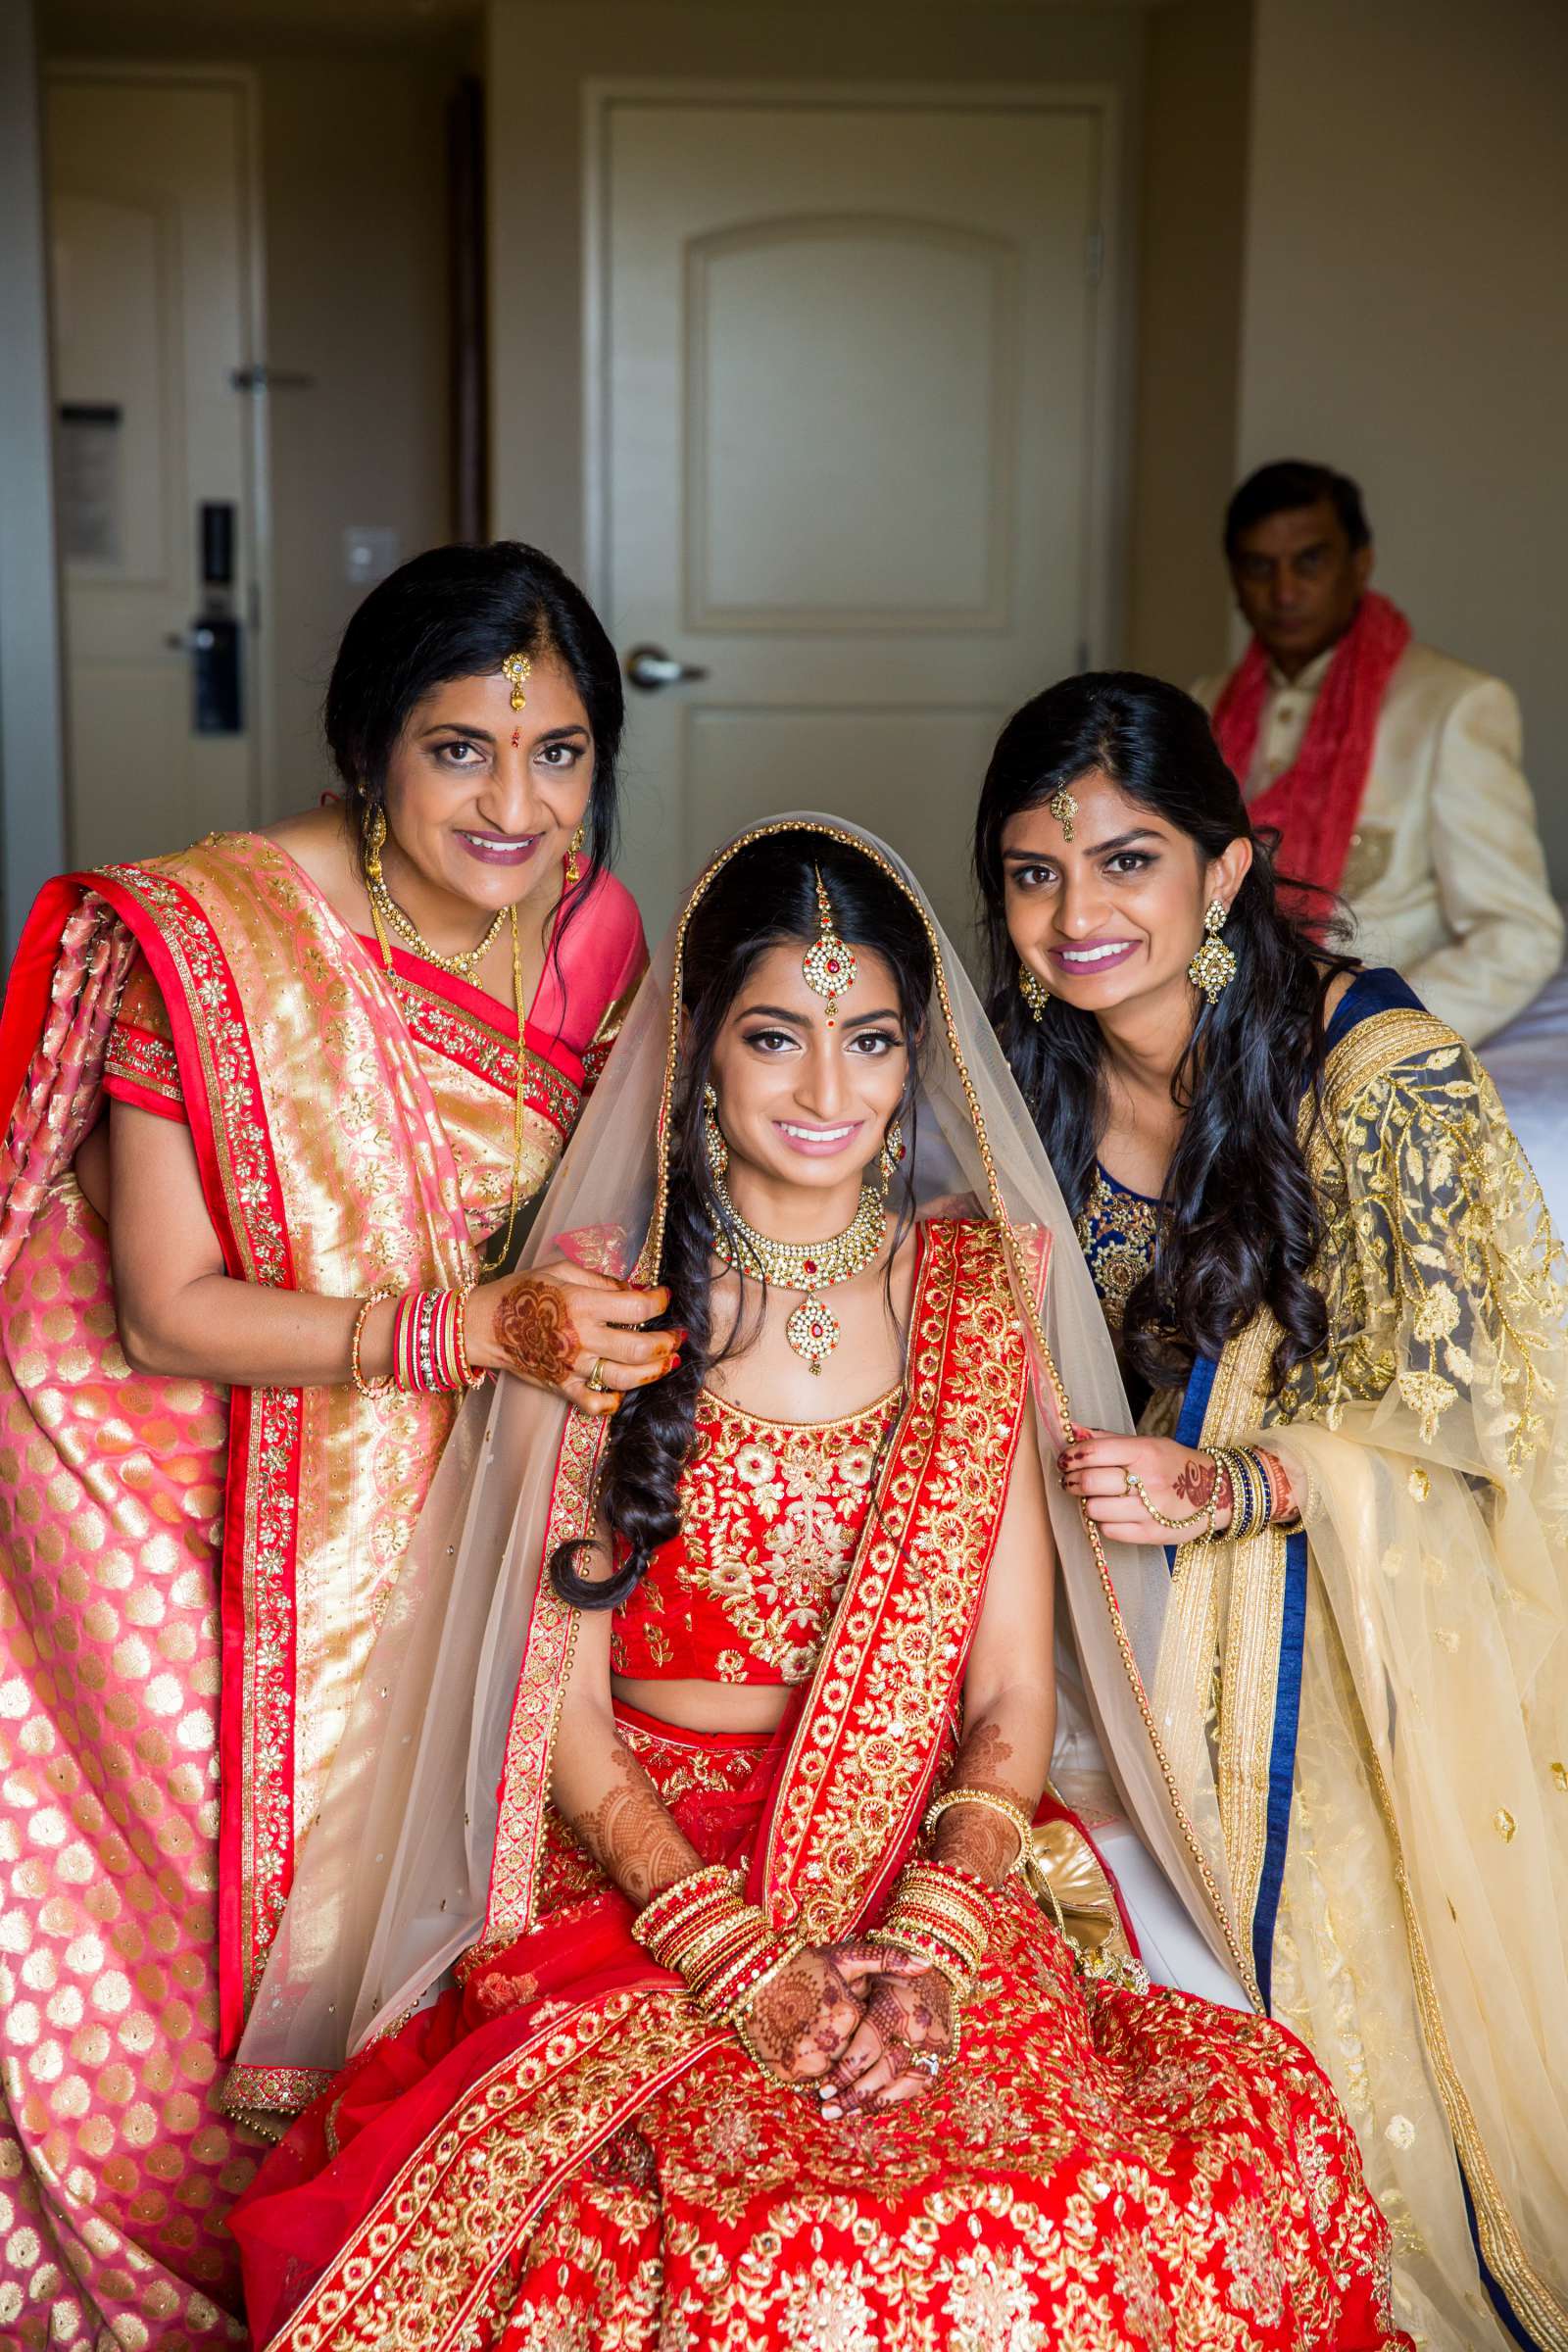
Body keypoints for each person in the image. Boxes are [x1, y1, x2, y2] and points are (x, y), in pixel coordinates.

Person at [226, 819, 1407, 2352]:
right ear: (699, 1047)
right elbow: (561, 1722)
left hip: (919, 1862)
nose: (827, 1093)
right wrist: (741, 1956)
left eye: (869, 1043)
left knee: (1167, 2171)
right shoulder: (601, 1301)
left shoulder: (980, 1294)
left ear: (917, 1059)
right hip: (650, 1882)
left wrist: (924, 1949)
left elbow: (1009, 1694)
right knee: (690, 2238)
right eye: (775, 1038)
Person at [0, 541, 676, 2345]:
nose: (516, 806)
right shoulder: (219, 938)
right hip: (183, 1491)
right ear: (369, 751)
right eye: (460, 751)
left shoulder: (601, 926)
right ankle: (156, 2275)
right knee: (203, 1920)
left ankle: (366, 2270)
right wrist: (466, 1338)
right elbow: (163, 1308)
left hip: (453, 1484)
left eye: (559, 755)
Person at [974, 673, 1568, 2349]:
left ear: (1225, 876)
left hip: (1339, 1610)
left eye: (1126, 864)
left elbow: (1476, 1409)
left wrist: (1238, 1483)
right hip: (1110, 1591)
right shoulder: (1028, 1072)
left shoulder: (1376, 1070)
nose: (1077, 915)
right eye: (1032, 872)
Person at [1194, 459, 1562, 1046]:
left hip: (1358, 1051)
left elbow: (1518, 935)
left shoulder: (1451, 707)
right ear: (1235, 579)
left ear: (1360, 562)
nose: (1284, 591)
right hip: (1216, 1041)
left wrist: (1364, 1030)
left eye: (1309, 561)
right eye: (1259, 567)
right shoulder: (1202, 708)